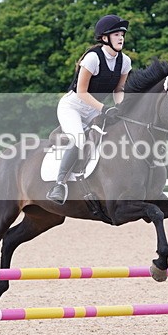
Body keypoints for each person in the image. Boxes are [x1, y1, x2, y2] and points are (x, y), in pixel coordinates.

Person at [46, 14, 132, 204]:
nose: (121, 38)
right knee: (80, 139)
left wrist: (120, 107)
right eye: (116, 34)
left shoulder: (124, 61)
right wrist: (104, 108)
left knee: (110, 138)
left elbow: (119, 89)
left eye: (122, 35)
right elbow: (82, 91)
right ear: (104, 38)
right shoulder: (93, 58)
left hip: (95, 109)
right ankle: (59, 184)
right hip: (73, 106)